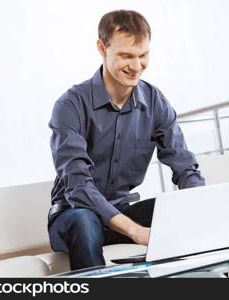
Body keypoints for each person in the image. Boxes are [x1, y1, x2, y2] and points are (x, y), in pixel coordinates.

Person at [47, 9, 205, 271]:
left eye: (143, 55)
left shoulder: (154, 101)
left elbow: (184, 166)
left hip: (123, 210)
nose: (136, 66)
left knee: (179, 210)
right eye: (126, 56)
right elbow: (77, 186)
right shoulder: (70, 105)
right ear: (102, 48)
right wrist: (135, 231)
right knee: (84, 221)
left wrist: (202, 205)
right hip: (72, 215)